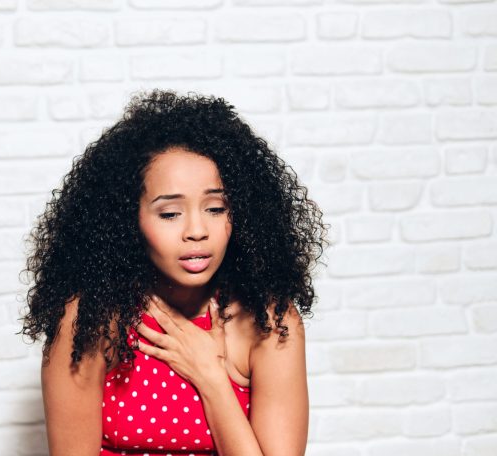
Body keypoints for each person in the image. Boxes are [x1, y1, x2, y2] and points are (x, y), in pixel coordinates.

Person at [18, 89, 330, 456]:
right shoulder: (89, 319)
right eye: (170, 214)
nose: (196, 230)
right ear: (127, 219)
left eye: (215, 208)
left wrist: (212, 378)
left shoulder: (270, 320)